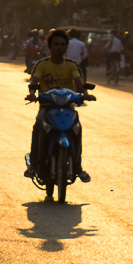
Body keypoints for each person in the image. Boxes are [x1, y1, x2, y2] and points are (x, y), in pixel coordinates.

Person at [24, 28, 92, 186]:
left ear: (66, 47)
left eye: (62, 44)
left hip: (68, 109)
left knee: (77, 130)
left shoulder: (72, 65)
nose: (59, 47)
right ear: (49, 46)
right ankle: (34, 164)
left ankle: (78, 166)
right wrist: (32, 93)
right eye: (56, 44)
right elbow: (34, 82)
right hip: (47, 108)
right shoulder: (42, 65)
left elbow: (79, 83)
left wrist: (85, 93)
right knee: (38, 128)